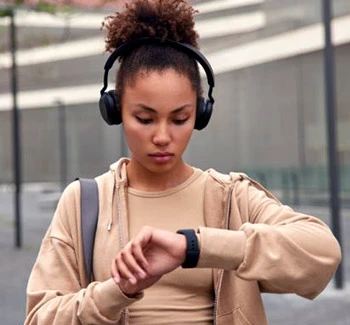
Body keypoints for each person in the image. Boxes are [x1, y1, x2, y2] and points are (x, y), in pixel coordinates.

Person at [24, 0, 342, 324]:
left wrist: (193, 247)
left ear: (200, 114)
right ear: (115, 109)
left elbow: (322, 253)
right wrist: (116, 291)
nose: (162, 136)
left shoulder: (230, 197)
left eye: (180, 119)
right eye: (145, 119)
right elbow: (40, 317)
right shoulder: (84, 203)